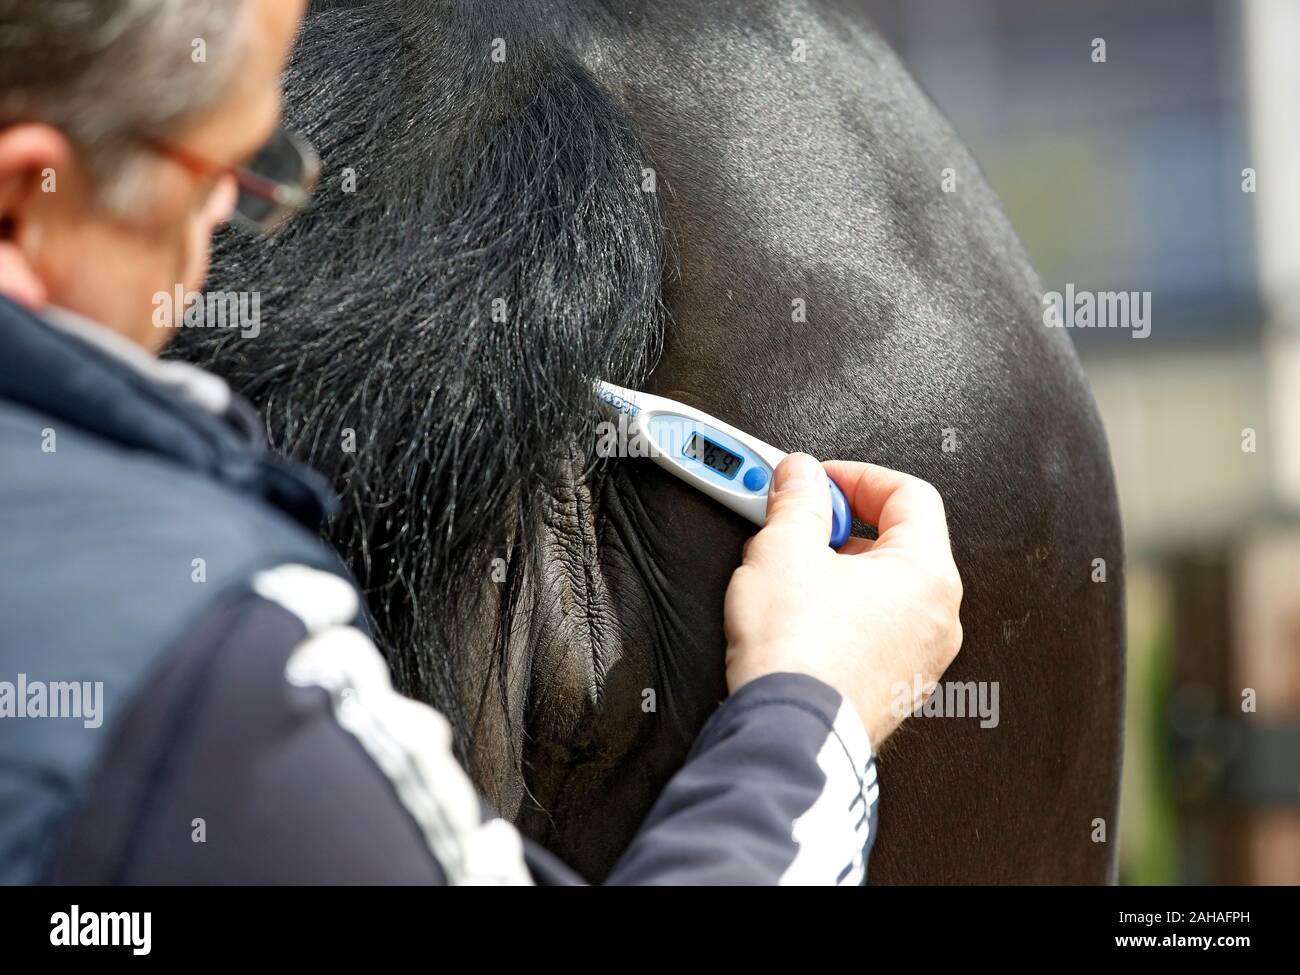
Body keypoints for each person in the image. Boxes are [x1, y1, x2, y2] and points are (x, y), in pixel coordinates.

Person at [0, 0, 962, 885]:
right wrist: (812, 710)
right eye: (230, 179)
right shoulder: (213, 659)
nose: (215, 239)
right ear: (20, 201)